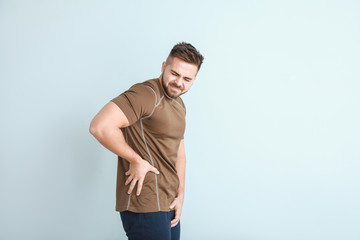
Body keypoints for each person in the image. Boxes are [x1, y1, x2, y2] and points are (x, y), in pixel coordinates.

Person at [89, 42, 204, 240]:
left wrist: (180, 195)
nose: (179, 83)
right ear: (163, 67)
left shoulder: (179, 104)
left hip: (168, 202)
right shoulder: (147, 94)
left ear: (194, 80)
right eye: (174, 74)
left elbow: (179, 150)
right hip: (146, 201)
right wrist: (135, 160)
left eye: (187, 79)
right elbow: (100, 126)